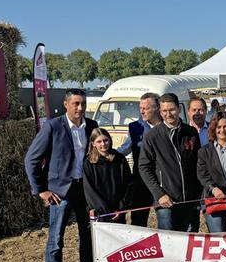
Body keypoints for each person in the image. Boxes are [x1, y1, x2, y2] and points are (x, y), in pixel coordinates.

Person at [24, 88, 98, 262]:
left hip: (83, 190)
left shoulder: (92, 126)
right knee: (56, 240)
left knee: (87, 235)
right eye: (75, 103)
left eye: (83, 103)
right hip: (60, 192)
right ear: (66, 104)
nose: (80, 108)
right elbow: (31, 159)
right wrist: (41, 190)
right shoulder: (53, 126)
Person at [139, 93, 202, 233]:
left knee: (189, 241)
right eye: (164, 111)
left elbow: (198, 163)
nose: (168, 114)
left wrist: (198, 192)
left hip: (190, 199)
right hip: (166, 200)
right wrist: (159, 194)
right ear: (160, 112)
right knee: (168, 240)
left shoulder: (190, 132)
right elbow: (144, 167)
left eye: (172, 110)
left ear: (179, 109)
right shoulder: (152, 136)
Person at [117, 92, 161, 227]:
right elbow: (125, 149)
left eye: (146, 108)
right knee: (138, 221)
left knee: (166, 219)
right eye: (140, 108)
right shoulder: (135, 127)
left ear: (157, 108)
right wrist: (107, 154)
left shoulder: (167, 126)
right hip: (141, 180)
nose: (142, 111)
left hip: (163, 180)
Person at [83, 128, 133, 223]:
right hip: (100, 213)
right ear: (93, 143)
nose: (103, 144)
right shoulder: (89, 163)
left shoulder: (119, 159)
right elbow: (89, 190)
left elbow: (128, 184)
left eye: (105, 140)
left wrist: (121, 207)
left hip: (118, 211)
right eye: (99, 141)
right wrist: (105, 210)